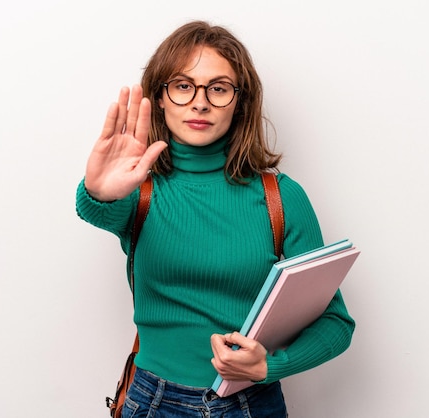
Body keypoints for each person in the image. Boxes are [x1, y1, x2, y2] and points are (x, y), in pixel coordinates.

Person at [76, 20, 355, 417]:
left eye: (218, 88)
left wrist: (267, 367)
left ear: (240, 101)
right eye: (183, 85)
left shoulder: (281, 197)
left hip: (250, 405)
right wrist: (99, 190)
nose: (200, 102)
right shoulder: (140, 190)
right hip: (152, 402)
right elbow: (96, 208)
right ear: (160, 97)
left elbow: (335, 323)